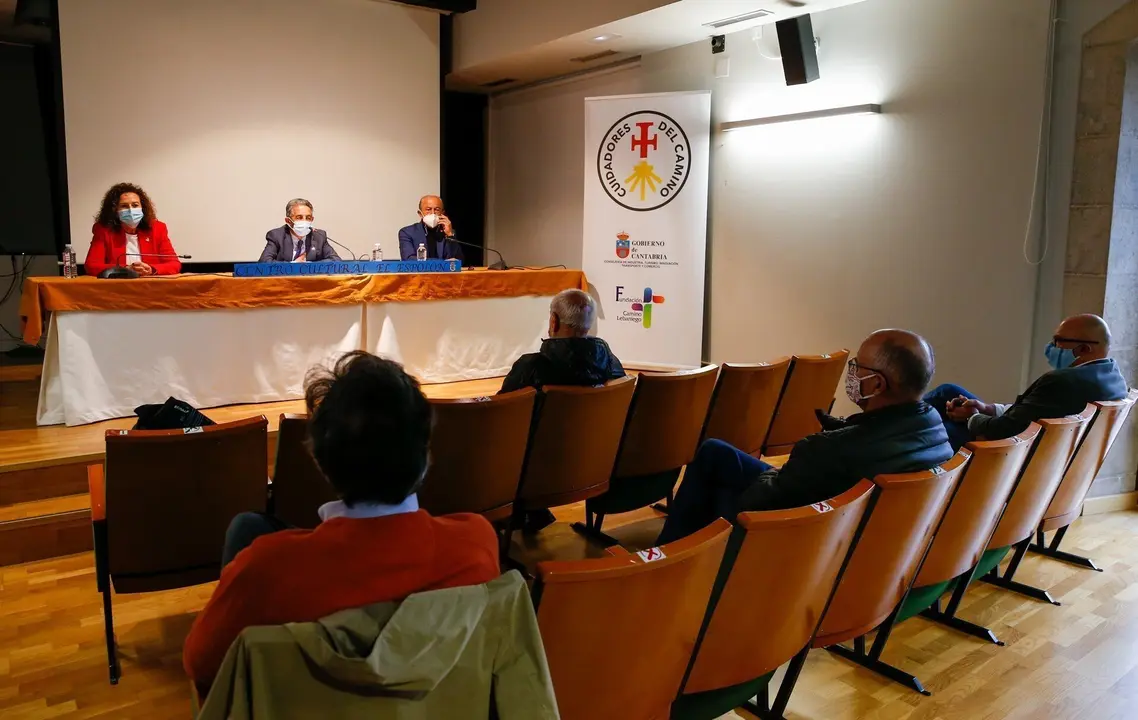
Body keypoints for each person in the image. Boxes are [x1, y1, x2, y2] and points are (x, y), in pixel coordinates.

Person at [183, 352, 500, 687]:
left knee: (246, 527)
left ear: (320, 462)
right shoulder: (476, 544)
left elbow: (201, 665)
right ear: (425, 456)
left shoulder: (264, 570)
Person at [657, 329, 953, 545]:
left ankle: (669, 556)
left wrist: (799, 460)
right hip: (858, 534)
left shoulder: (827, 451)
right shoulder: (934, 425)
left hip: (798, 539)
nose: (851, 374)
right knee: (717, 453)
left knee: (711, 469)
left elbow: (754, 503)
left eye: (857, 367)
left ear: (876, 384)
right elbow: (874, 440)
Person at [925, 313, 1129, 451]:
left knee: (932, 431)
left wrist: (972, 417)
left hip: (1005, 453)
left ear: (1085, 349)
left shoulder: (1062, 381)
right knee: (948, 391)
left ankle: (900, 430)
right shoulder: (1112, 377)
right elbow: (1032, 413)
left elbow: (1003, 430)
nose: (1052, 346)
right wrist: (987, 408)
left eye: (1058, 341)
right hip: (1032, 443)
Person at [499, 289, 625, 394]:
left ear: (554, 321)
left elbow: (502, 408)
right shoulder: (608, 360)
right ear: (589, 324)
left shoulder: (529, 366)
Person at [83, 183, 181, 276]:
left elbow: (174, 264)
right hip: (117, 288)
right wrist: (125, 269)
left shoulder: (157, 228)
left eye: (135, 205)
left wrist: (151, 269)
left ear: (143, 207)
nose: (131, 210)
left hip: (151, 287)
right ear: (115, 210)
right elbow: (91, 266)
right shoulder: (103, 230)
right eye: (124, 206)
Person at [258, 198, 342, 262]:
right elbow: (264, 262)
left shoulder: (319, 236)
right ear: (288, 221)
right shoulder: (276, 236)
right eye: (299, 217)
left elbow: (336, 261)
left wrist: (308, 266)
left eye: (308, 218)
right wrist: (293, 266)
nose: (304, 221)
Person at [398, 195, 464, 261]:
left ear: (442, 213)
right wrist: (442, 263)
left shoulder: (448, 232)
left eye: (437, 209)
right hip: (419, 271)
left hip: (444, 272)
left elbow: (458, 261)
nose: (433, 213)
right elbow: (408, 259)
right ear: (420, 214)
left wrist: (450, 235)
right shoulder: (407, 232)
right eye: (428, 209)